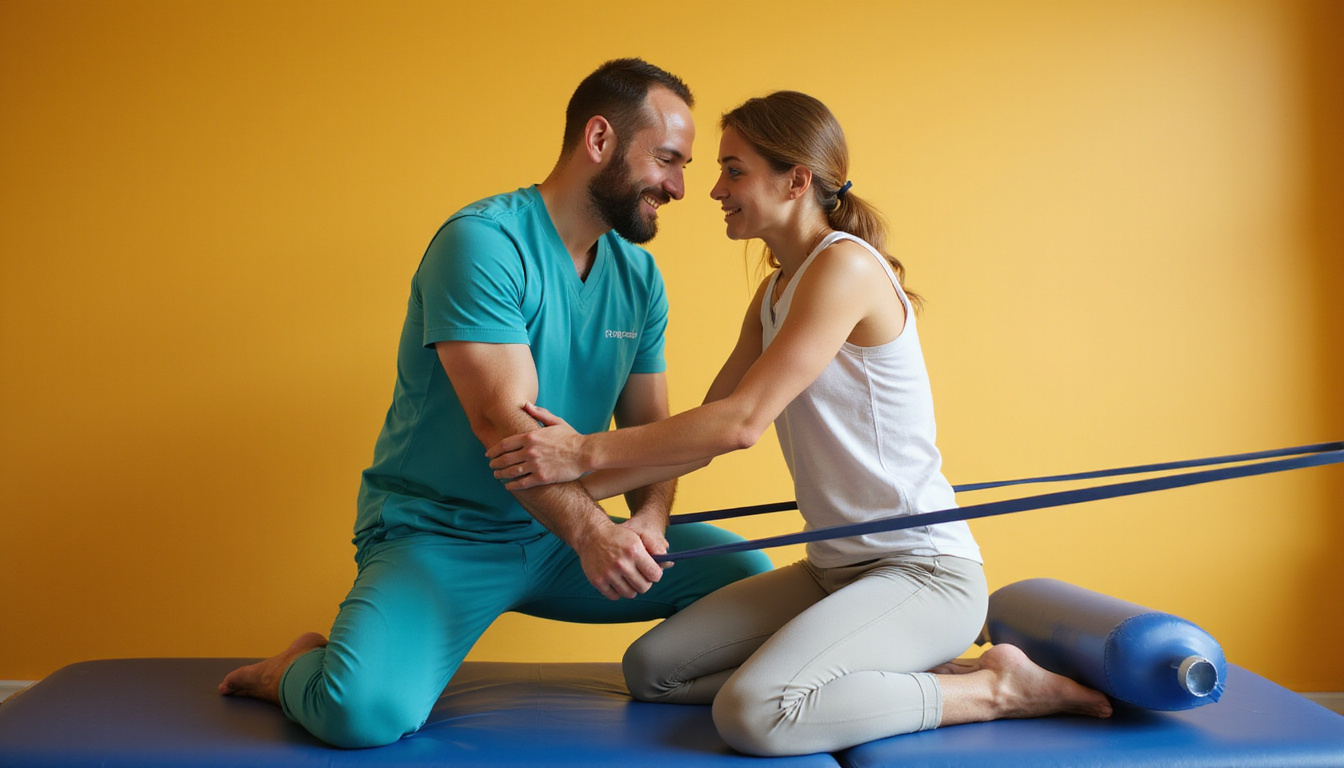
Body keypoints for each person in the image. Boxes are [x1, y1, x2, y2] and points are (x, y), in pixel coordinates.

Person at [485, 90, 1114, 757]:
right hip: (833, 572)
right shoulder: (776, 289)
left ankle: (1000, 690)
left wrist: (581, 452)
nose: (714, 189)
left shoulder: (844, 267)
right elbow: (702, 434)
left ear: (796, 180)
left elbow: (742, 424)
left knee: (757, 715)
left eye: (734, 170)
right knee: (653, 673)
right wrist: (567, 493)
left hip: (921, 572)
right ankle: (888, 680)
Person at [218, 58, 773, 749]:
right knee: (359, 714)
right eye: (666, 160)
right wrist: (595, 534)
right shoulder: (483, 243)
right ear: (599, 140)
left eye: (684, 165)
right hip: (444, 537)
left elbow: (652, 433)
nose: (680, 186)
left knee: (747, 581)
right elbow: (501, 425)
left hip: (559, 540)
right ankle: (292, 668)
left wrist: (650, 525)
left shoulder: (638, 277)